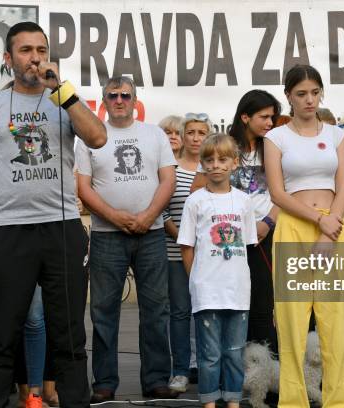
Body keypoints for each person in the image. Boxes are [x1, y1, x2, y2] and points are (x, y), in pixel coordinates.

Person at [0, 21, 107, 408]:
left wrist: (63, 93)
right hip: (8, 231)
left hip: (62, 228)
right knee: (0, 335)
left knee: (69, 335)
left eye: (41, 49)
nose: (35, 57)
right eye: (25, 50)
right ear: (9, 59)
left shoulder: (65, 99)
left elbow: (99, 137)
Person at [75, 76, 177, 402]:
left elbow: (168, 180)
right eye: (112, 95)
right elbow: (83, 187)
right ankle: (104, 383)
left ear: (135, 100)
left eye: (125, 95)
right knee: (103, 312)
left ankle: (157, 380)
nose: (119, 100)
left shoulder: (154, 134)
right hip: (106, 235)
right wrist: (113, 216)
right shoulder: (90, 138)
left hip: (153, 233)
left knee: (156, 310)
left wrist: (148, 216)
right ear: (103, 101)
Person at [264, 64, 344, 407]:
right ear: (288, 96)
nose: (309, 100)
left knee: (335, 323)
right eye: (301, 94)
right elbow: (277, 193)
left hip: (334, 228)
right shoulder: (276, 138)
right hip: (293, 228)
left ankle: (338, 401)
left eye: (315, 92)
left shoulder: (336, 135)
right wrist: (318, 220)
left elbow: (343, 186)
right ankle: (293, 402)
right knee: (291, 325)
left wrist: (330, 228)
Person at [177, 133, 257, 408]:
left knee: (234, 352)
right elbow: (186, 246)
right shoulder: (195, 201)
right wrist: (195, 280)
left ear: (234, 163)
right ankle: (209, 401)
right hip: (207, 291)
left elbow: (247, 245)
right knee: (209, 354)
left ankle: (233, 400)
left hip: (237, 290)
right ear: (202, 164)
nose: (216, 165)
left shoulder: (244, 201)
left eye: (223, 159)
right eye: (209, 160)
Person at [227, 90, 281, 353]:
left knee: (263, 302)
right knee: (234, 303)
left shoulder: (274, 146)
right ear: (245, 117)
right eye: (264, 116)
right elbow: (199, 190)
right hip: (230, 236)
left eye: (273, 117)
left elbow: (284, 193)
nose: (270, 123)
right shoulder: (224, 147)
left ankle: (267, 376)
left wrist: (267, 223)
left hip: (265, 233)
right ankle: (234, 371)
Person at [163, 112, 212, 392]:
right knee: (180, 311)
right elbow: (165, 212)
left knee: (207, 312)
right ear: (183, 136)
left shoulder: (215, 167)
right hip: (175, 252)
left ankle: (206, 367)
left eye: (201, 133)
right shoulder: (171, 168)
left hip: (210, 256)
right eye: (190, 132)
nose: (195, 138)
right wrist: (184, 240)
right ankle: (180, 370)